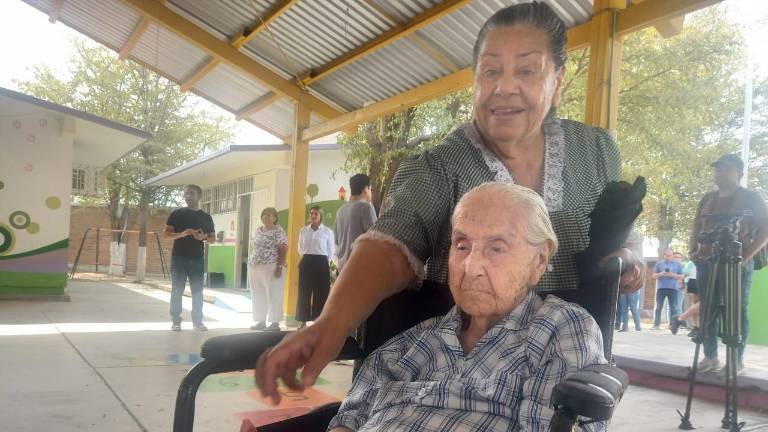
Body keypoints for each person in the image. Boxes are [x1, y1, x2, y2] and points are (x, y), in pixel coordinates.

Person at [255, 2, 644, 400]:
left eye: (527, 70)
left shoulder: (596, 151)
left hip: (562, 357)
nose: (504, 87)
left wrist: (628, 253)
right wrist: (332, 321)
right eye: (490, 71)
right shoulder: (441, 165)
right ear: (475, 80)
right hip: (459, 369)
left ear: (557, 80)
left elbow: (616, 226)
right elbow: (392, 243)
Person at [325, 183, 605, 432]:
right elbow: (349, 417)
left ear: (539, 261)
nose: (470, 268)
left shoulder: (561, 329)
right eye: (461, 245)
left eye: (497, 247)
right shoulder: (413, 342)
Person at [688, 154, 768, 374]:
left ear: (740, 174)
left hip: (736, 262)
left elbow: (765, 230)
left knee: (737, 310)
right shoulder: (707, 199)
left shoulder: (751, 198)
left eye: (727, 169)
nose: (720, 172)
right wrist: (692, 249)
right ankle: (710, 357)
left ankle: (735, 361)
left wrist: (747, 256)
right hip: (706, 262)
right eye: (718, 169)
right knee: (708, 309)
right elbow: (696, 226)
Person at [164, 184, 214, 332]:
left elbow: (212, 238)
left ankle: (197, 322)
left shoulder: (206, 217)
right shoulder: (177, 214)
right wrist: (182, 234)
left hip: (197, 259)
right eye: (186, 193)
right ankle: (176, 321)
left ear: (199, 196)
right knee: (177, 290)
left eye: (191, 193)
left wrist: (202, 237)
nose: (187, 196)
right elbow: (166, 234)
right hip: (179, 258)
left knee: (197, 292)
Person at [248, 207, 288, 331]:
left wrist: (280, 266)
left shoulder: (278, 231)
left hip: (272, 266)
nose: (264, 217)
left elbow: (283, 248)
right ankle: (261, 321)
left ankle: (275, 323)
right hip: (255, 267)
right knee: (258, 294)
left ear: (274, 218)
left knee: (274, 294)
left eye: (268, 215)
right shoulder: (258, 230)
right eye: (263, 214)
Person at [296, 206, 335, 328]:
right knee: (304, 292)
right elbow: (300, 248)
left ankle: (319, 321)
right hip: (306, 261)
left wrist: (323, 262)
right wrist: (308, 257)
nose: (313, 216)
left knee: (321, 293)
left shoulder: (327, 232)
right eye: (311, 213)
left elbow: (331, 250)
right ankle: (303, 321)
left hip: (321, 262)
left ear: (320, 216)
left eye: (316, 214)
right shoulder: (304, 230)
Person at [335, 174, 377, 273]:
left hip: (341, 270)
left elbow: (336, 241)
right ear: (366, 189)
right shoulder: (366, 207)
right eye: (370, 189)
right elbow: (375, 237)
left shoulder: (340, 210)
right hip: (358, 270)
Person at [616, 230, 643, 332]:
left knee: (633, 307)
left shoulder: (633, 252)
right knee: (624, 308)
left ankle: (638, 327)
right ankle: (625, 327)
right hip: (625, 284)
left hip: (632, 285)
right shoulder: (627, 251)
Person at [651, 249, 684, 331]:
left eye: (670, 255)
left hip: (673, 289)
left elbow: (682, 276)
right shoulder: (659, 264)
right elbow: (653, 276)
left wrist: (673, 275)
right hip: (661, 288)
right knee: (659, 307)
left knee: (674, 308)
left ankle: (672, 325)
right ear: (664, 255)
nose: (668, 257)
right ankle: (656, 325)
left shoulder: (678, 264)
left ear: (672, 256)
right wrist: (661, 273)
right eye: (666, 255)